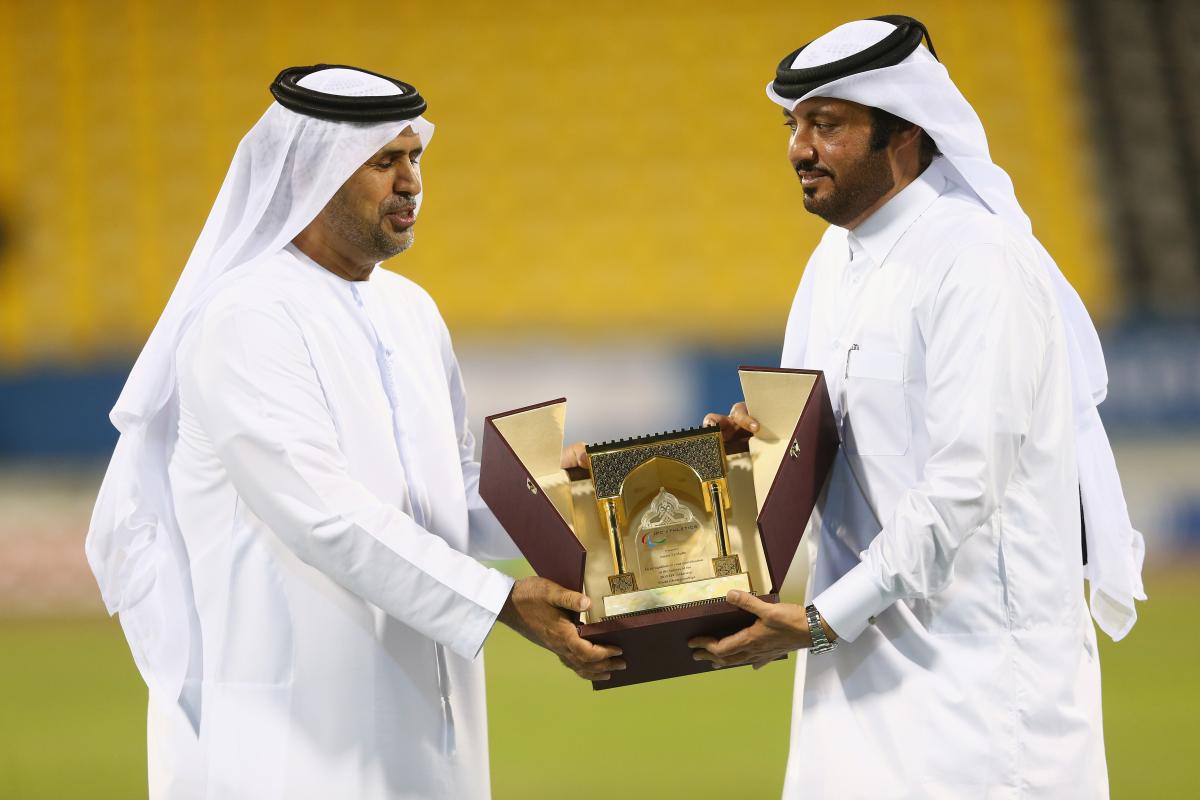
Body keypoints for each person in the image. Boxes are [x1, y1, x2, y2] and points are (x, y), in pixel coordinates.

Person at [85, 65, 621, 800]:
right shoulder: (246, 317)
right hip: (289, 737)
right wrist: (496, 603)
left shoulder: (411, 310)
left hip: (428, 723)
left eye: (415, 158)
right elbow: (323, 514)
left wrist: (564, 500)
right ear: (314, 174)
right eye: (384, 161)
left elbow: (445, 495)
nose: (411, 182)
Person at [690, 16, 1145, 798]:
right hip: (848, 682)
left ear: (903, 131)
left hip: (979, 697)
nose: (798, 148)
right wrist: (749, 461)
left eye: (826, 126)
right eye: (793, 125)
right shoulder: (830, 265)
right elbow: (816, 452)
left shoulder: (979, 262)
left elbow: (965, 483)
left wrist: (827, 617)